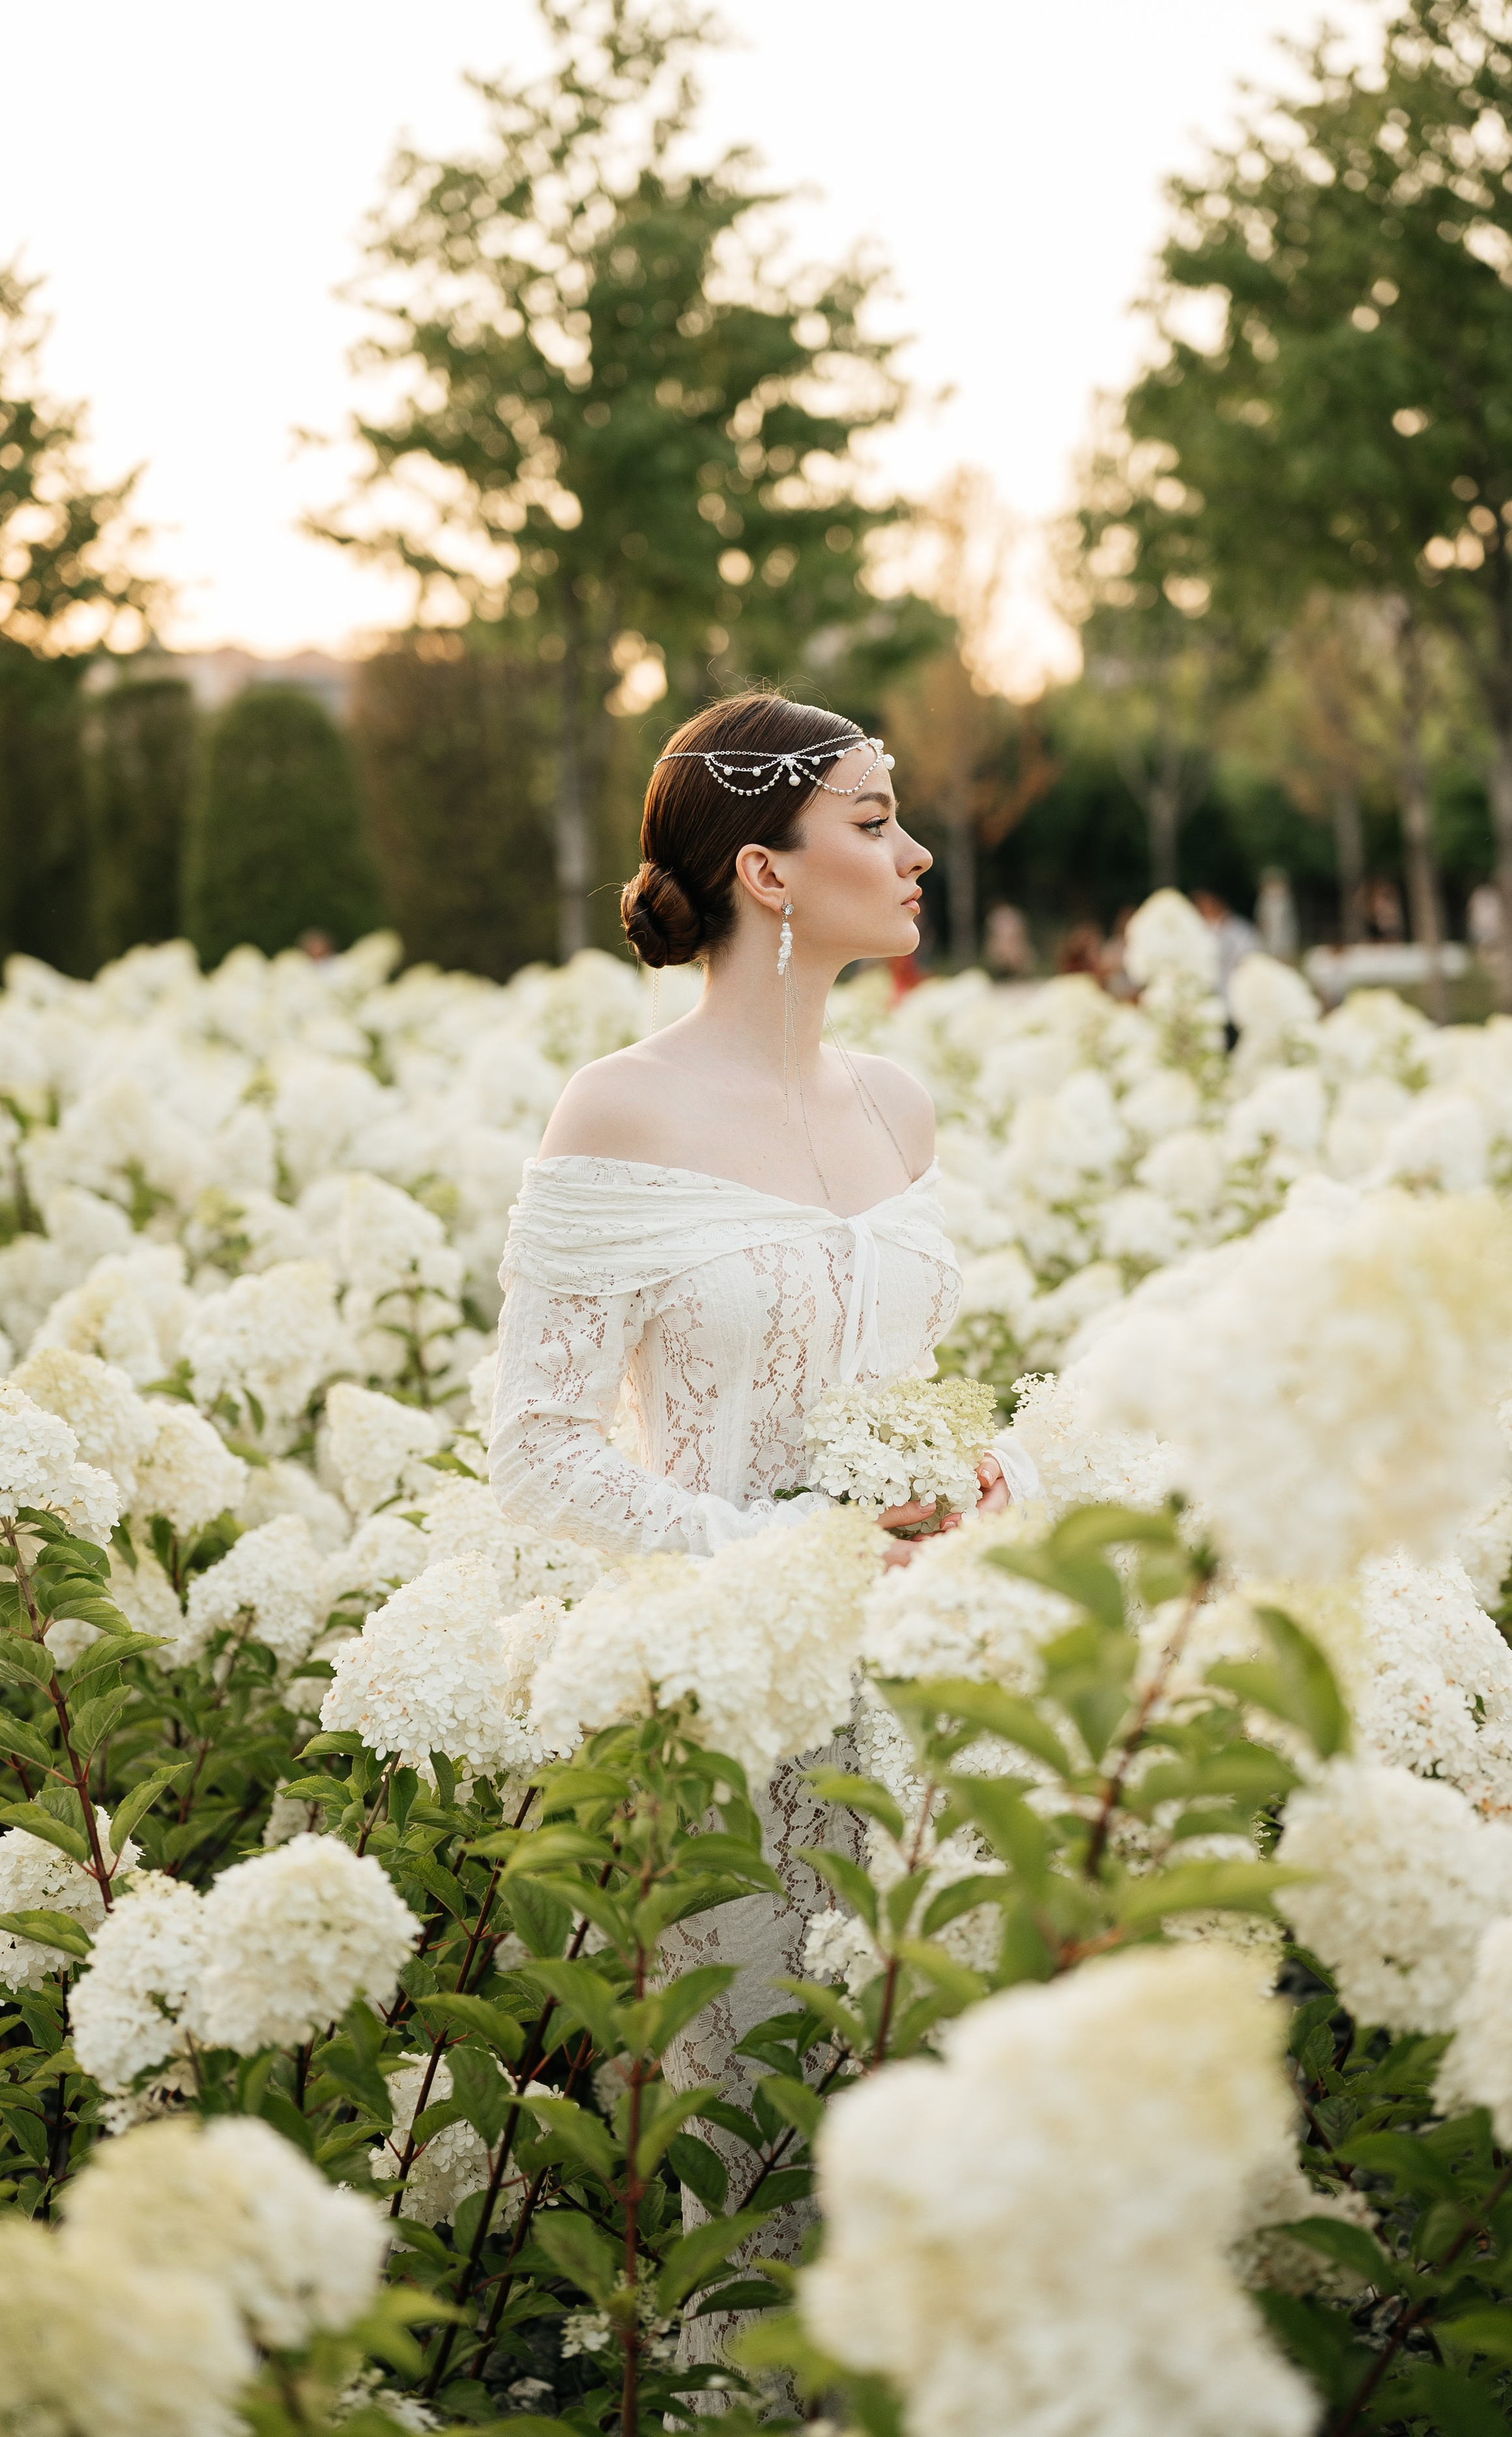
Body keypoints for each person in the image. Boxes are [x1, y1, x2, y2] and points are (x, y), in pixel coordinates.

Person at [487, 690, 1034, 2384]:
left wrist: (977, 1471)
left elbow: (910, 1394)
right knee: (750, 2172)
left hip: (931, 1712)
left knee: (939, 2157)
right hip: (735, 1728)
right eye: (874, 819)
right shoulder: (617, 1113)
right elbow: (541, 1448)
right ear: (767, 874)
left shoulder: (902, 1109)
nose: (914, 847)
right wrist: (773, 1552)